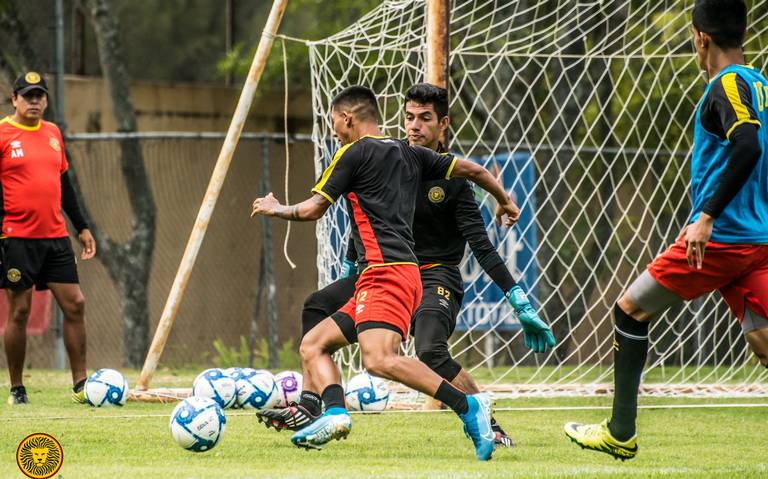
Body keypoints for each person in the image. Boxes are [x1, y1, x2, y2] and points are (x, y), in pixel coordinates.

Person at [257, 83, 555, 449]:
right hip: (384, 274)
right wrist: (505, 200)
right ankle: (328, 411)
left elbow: (313, 209)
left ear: (347, 118)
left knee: (383, 358)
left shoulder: (355, 153)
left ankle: (470, 406)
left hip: (399, 273)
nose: (414, 125)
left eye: (334, 121)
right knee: (313, 343)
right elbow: (475, 170)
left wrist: (275, 209)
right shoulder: (408, 154)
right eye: (409, 116)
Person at [564, 0, 768, 460]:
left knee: (630, 310)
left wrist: (707, 215)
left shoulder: (729, 83)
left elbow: (749, 143)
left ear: (700, 37)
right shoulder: (762, 84)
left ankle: (619, 431)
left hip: (722, 240)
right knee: (765, 347)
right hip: (756, 241)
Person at [1, 72, 96, 405]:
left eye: (40, 96)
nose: (35, 102)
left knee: (76, 303)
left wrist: (81, 226)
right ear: (14, 99)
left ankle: (82, 383)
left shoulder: (53, 133)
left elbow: (64, 185)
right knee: (19, 311)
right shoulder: (3, 133)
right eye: (28, 96)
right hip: (16, 239)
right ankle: (17, 388)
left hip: (55, 237)